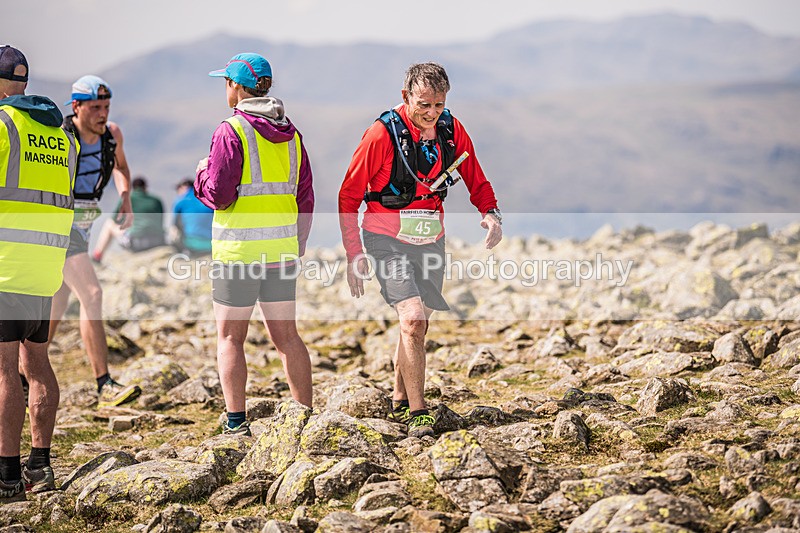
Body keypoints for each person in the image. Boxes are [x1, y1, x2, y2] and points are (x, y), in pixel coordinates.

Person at [338, 62, 503, 438]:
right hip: (385, 238)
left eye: (439, 105)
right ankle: (418, 413)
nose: (431, 113)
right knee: (413, 320)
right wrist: (354, 253)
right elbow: (348, 196)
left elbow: (476, 176)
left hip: (431, 238)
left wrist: (491, 214)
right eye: (423, 104)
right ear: (405, 97)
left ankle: (398, 396)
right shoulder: (380, 135)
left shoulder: (451, 129)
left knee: (416, 324)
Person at [196, 53, 315, 435]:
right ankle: (304, 417)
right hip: (280, 252)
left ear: (235, 87)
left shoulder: (231, 131)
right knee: (288, 337)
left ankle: (236, 423)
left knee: (231, 337)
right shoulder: (293, 135)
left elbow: (219, 194)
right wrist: (297, 245)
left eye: (225, 83)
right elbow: (305, 199)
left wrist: (200, 174)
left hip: (238, 254)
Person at [0, 45, 77, 500]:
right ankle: (40, 466)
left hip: (6, 266)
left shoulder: (3, 125)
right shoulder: (60, 135)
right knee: (37, 361)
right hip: (46, 267)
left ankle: (8, 477)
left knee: (7, 370)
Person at [50, 75, 141, 407]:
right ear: (76, 107)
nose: (102, 114)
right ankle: (104, 383)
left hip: (85, 225)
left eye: (106, 106)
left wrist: (126, 198)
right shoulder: (59, 136)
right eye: (95, 108)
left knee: (57, 302)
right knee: (92, 293)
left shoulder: (112, 134)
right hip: (59, 225)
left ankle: (21, 370)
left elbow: (122, 168)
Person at [92, 176, 165, 260]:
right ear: (145, 187)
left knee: (109, 224)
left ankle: (97, 255)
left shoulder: (127, 199)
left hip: (136, 243)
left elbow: (115, 219)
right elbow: (160, 220)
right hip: (158, 241)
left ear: (133, 188)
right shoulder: (156, 201)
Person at [171, 177, 212, 255]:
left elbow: (175, 223)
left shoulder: (181, 200)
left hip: (191, 243)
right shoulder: (207, 198)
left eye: (178, 188)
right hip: (211, 243)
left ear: (184, 187)